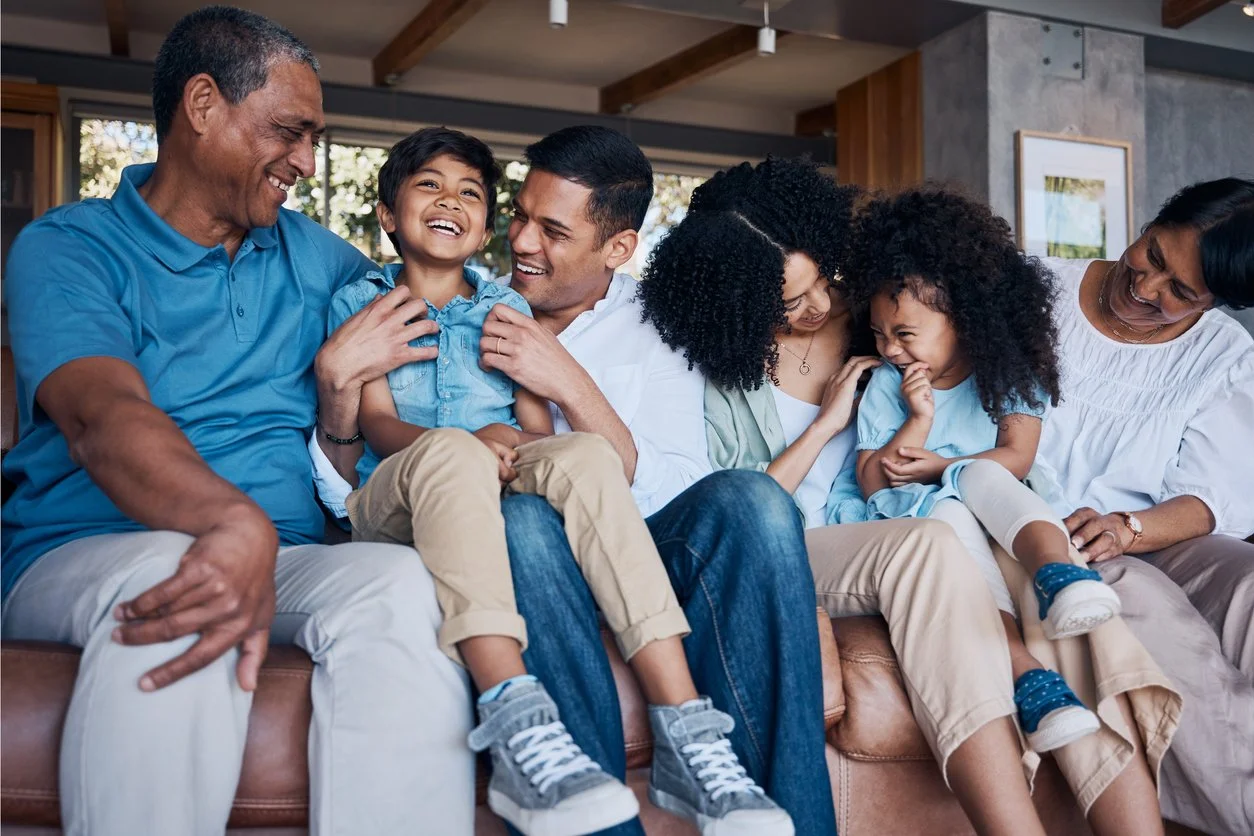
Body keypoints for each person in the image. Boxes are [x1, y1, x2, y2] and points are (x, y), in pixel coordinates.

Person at [0, 7, 476, 835]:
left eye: (312, 137)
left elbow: (454, 311)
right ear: (203, 105)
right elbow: (103, 417)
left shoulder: (322, 260)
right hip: (87, 547)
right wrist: (228, 520)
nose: (305, 160)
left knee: (401, 587)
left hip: (289, 555)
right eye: (289, 132)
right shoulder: (71, 247)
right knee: (180, 575)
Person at [313, 125, 834, 835]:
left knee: (758, 502)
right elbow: (371, 452)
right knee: (525, 522)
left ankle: (754, 794)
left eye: (552, 231)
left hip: (631, 542)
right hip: (509, 534)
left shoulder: (663, 322)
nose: (523, 242)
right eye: (520, 216)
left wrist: (566, 382)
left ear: (617, 248)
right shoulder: (454, 303)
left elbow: (676, 481)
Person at [639, 158, 1178, 836]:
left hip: (930, 519)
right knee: (930, 544)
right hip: (815, 545)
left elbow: (991, 421)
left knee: (1068, 621)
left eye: (824, 283)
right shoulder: (730, 373)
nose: (819, 308)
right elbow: (745, 516)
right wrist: (832, 421)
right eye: (787, 302)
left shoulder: (889, 318)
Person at [834, 188, 1120, 753]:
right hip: (923, 517)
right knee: (948, 512)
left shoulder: (1006, 373)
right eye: (879, 334)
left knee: (979, 477)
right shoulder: (888, 386)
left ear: (963, 320)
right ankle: (1030, 680)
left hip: (994, 496)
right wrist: (919, 419)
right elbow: (873, 481)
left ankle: (1060, 576)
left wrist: (947, 466)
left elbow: (1017, 456)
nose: (889, 349)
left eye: (905, 334)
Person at [1029, 177, 1254, 836]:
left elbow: (1216, 497)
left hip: (1148, 530)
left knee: (1245, 582)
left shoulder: (1224, 356)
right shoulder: (1036, 290)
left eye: (1182, 292)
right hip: (1044, 533)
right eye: (1153, 254)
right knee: (1136, 596)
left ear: (1218, 302)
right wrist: (1109, 543)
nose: (1149, 288)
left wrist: (1130, 528)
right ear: (1150, 221)